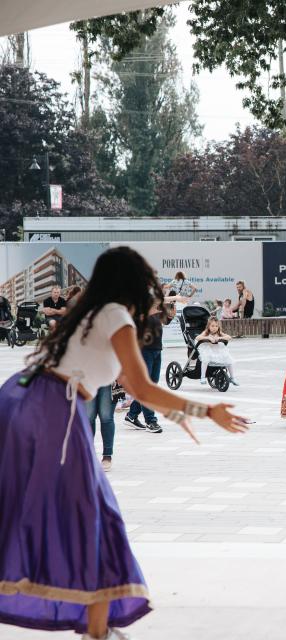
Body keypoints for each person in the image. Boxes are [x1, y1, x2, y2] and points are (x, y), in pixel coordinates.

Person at [0, 246, 248, 640]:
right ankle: (97, 632)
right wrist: (205, 410)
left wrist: (177, 414)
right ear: (135, 281)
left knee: (71, 513)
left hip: (26, 400)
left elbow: (131, 385)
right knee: (93, 517)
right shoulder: (115, 314)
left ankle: (97, 629)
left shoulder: (90, 310)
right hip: (52, 411)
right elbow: (142, 387)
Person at [123, 300, 176, 434]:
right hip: (145, 351)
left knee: (152, 384)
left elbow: (163, 321)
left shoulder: (156, 310)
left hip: (157, 350)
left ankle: (132, 415)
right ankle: (151, 421)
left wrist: (170, 316)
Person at [87, 380, 121, 472]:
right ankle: (88, 454)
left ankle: (107, 455)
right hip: (87, 378)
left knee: (106, 417)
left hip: (109, 379)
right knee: (88, 417)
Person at [195, 317, 238, 386]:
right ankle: (202, 377)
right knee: (205, 359)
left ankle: (232, 377)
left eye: (216, 326)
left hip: (217, 350)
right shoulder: (206, 332)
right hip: (209, 350)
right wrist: (208, 338)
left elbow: (229, 337)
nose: (214, 328)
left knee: (228, 360)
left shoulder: (219, 333)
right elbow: (197, 337)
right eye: (212, 326)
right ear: (208, 326)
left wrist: (220, 338)